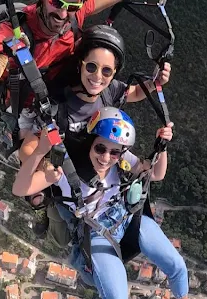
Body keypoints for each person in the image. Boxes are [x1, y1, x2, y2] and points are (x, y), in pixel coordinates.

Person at [12, 107, 188, 299]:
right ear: (90, 142)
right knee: (116, 296)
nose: (106, 158)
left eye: (114, 153)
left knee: (178, 267)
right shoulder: (66, 167)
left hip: (127, 217)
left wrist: (161, 147)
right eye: (100, 148)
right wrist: (40, 152)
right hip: (96, 231)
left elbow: (155, 174)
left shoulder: (122, 159)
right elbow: (20, 189)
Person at [17, 24, 171, 241]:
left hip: (96, 159)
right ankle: (42, 207)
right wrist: (42, 163)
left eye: (106, 71)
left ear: (114, 73)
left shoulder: (111, 91)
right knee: (61, 234)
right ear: (80, 65)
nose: (98, 77)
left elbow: (135, 92)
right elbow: (28, 149)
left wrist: (155, 84)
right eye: (91, 67)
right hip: (65, 169)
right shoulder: (57, 102)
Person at [0, 0, 124, 153]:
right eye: (56, 3)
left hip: (60, 97)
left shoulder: (73, 14)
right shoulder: (13, 32)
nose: (63, 14)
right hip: (28, 108)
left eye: (71, 6)